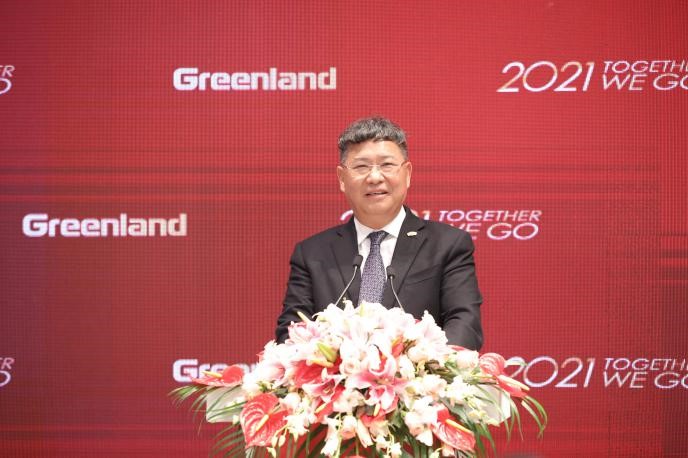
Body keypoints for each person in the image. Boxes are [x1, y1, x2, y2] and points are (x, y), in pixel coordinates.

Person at [275, 117, 483, 350]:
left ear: (407, 173)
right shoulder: (312, 254)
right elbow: (293, 331)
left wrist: (426, 364)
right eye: (361, 167)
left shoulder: (448, 245)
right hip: (337, 373)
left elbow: (464, 323)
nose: (374, 177)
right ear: (342, 179)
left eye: (387, 165)